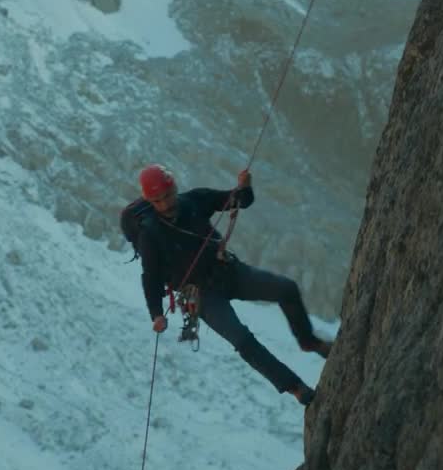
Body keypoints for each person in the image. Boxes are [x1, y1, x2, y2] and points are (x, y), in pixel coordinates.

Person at [123, 163, 330, 406]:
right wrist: (156, 314)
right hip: (201, 296)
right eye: (157, 201)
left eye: (167, 196)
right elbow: (151, 277)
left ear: (175, 187)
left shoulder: (195, 200)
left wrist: (245, 187)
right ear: (149, 201)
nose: (165, 204)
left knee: (286, 289)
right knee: (242, 339)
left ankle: (308, 342)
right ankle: (295, 387)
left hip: (228, 272)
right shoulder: (150, 234)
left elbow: (239, 200)